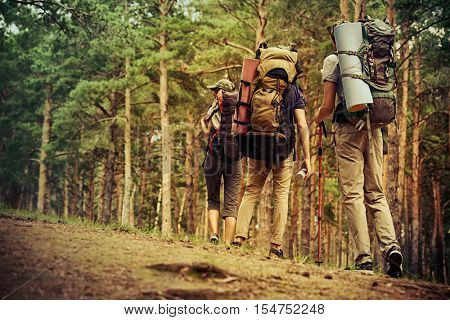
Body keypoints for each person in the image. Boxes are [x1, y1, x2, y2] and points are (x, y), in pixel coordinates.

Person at [314, 22, 403, 278]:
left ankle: (363, 258)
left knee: (353, 193)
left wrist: (316, 120)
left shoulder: (333, 60)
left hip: (348, 129)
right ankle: (391, 246)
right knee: (376, 193)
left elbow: (328, 106)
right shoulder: (373, 58)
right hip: (375, 129)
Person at [232, 82, 312, 259]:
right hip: (283, 148)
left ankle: (239, 238)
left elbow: (241, 114)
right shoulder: (293, 89)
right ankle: (276, 246)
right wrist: (307, 157)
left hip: (257, 145)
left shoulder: (256, 83)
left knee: (251, 191)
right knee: (281, 195)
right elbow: (301, 124)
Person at [201, 79, 242, 247]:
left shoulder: (215, 106)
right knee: (231, 202)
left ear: (221, 92)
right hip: (234, 156)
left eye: (216, 90)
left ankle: (214, 235)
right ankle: (227, 244)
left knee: (213, 199)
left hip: (214, 155)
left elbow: (206, 130)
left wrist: (204, 125)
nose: (213, 92)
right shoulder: (241, 108)